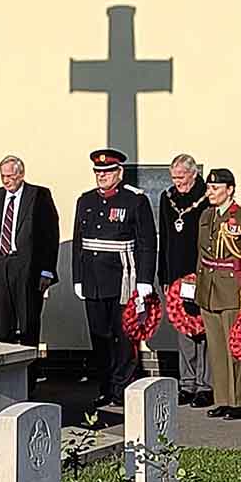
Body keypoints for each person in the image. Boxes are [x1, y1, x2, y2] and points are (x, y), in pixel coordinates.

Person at [72, 149, 157, 407]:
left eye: (108, 172)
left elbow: (147, 243)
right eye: (98, 172)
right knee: (99, 336)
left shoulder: (135, 200)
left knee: (123, 336)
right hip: (93, 280)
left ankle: (122, 387)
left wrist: (145, 279)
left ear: (119, 173)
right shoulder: (85, 200)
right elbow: (78, 242)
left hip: (122, 277)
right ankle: (105, 387)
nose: (102, 176)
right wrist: (78, 277)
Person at [0, 155, 60, 393]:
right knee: (1, 326)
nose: (6, 181)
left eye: (10, 176)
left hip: (28, 268)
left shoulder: (39, 195)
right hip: (0, 265)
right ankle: (2, 381)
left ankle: (28, 383)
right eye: (3, 176)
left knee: (28, 324)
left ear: (21, 174)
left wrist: (47, 270)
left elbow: (50, 235)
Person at [195, 168, 241, 421]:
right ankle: (222, 399)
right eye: (209, 188)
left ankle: (240, 401)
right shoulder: (207, 215)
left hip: (234, 289)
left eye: (215, 188)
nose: (210, 192)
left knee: (235, 348)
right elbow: (201, 255)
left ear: (230, 189)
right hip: (209, 289)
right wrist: (197, 288)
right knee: (216, 349)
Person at [157, 153, 213, 408]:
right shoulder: (167, 198)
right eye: (174, 177)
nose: (177, 182)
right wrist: (164, 275)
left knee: (204, 331)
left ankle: (205, 385)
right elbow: (165, 238)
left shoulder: (208, 198)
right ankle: (187, 384)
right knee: (184, 330)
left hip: (203, 274)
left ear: (194, 174)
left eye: (181, 177)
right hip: (177, 276)